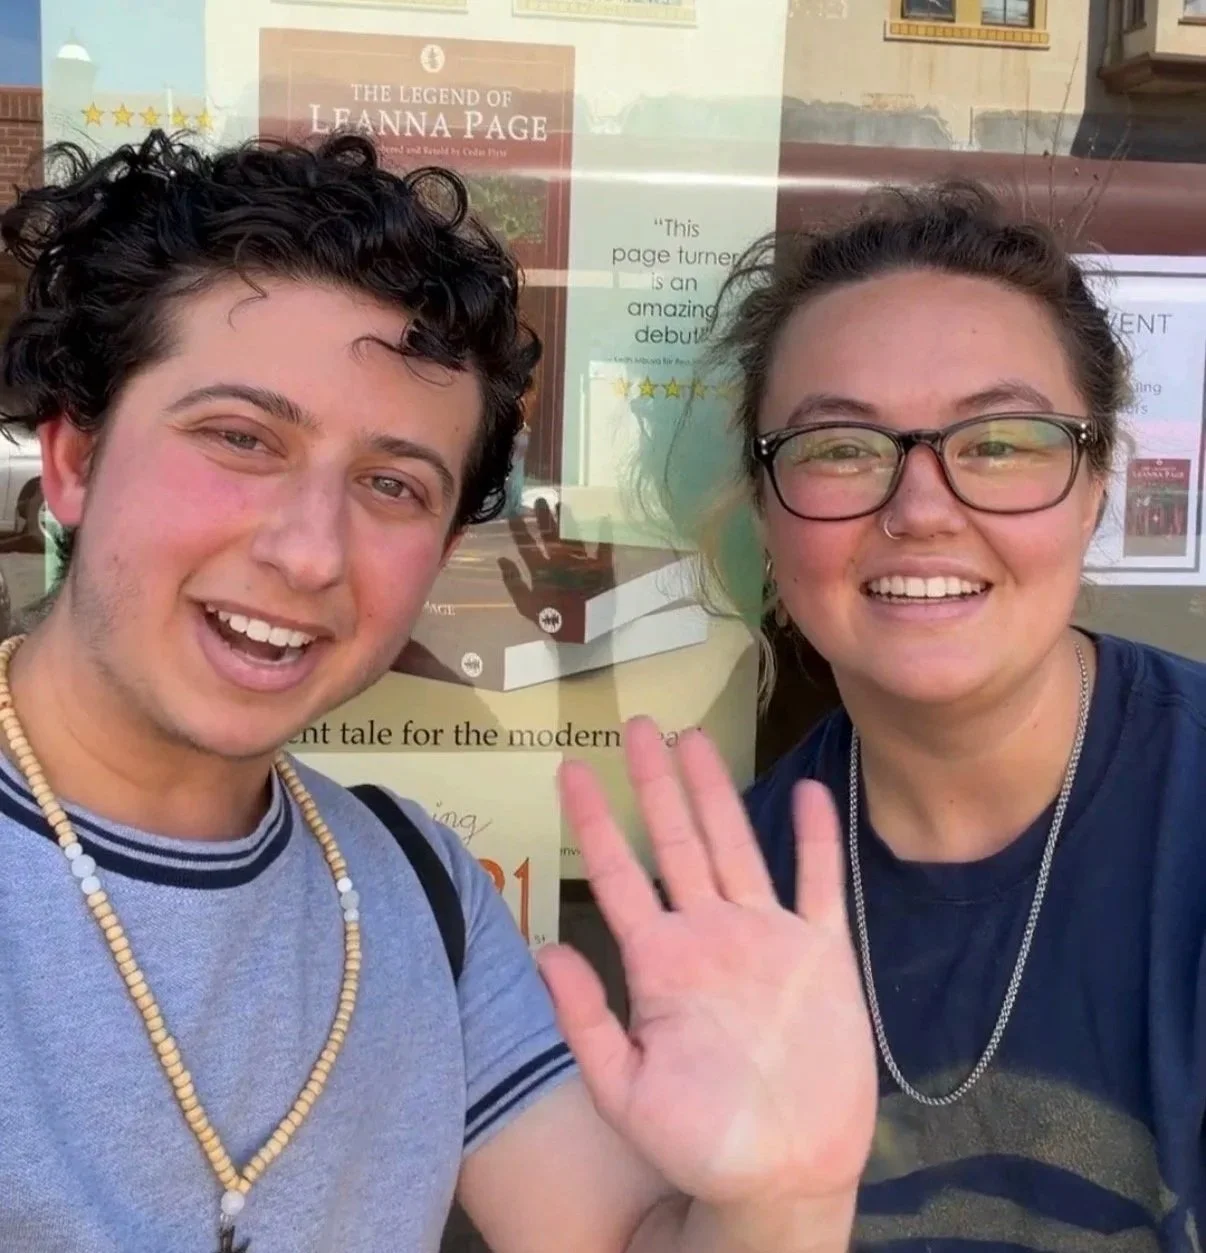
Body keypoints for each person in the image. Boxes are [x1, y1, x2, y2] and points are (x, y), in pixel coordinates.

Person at [0, 130, 879, 1253]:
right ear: (74, 459)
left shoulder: (412, 889)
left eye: (392, 484)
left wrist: (786, 1190)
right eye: (240, 437)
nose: (310, 551)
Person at [681, 181, 1206, 1248]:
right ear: (766, 513)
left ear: (1097, 484)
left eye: (1000, 442)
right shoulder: (725, 900)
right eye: (841, 447)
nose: (921, 509)